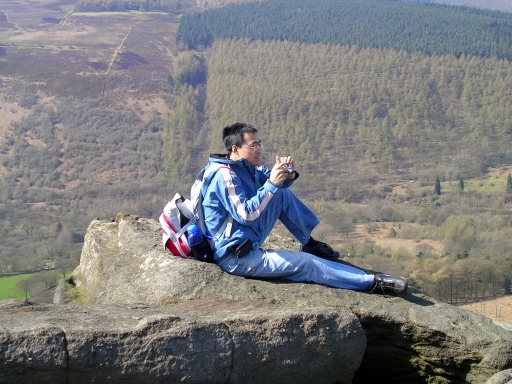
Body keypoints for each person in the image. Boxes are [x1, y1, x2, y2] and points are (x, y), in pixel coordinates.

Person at [198, 122, 407, 295]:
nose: (259, 149)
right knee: (308, 264)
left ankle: (309, 242)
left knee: (281, 193)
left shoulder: (246, 167)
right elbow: (247, 214)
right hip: (235, 256)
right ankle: (371, 283)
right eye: (253, 145)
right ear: (235, 149)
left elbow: (276, 184)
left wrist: (287, 174)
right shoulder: (224, 175)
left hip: (245, 237)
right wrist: (272, 184)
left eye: (259, 143)